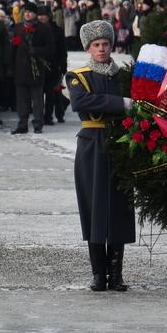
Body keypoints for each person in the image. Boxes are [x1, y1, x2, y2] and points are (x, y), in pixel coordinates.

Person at [67, 20, 134, 292]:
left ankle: (115, 275)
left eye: (106, 44)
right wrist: (120, 104)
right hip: (92, 145)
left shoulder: (122, 76)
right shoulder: (78, 76)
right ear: (88, 48)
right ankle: (98, 274)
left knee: (119, 207)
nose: (102, 49)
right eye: (97, 45)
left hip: (119, 143)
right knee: (94, 208)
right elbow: (81, 102)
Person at [11, 2, 53, 134]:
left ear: (35, 14)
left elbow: (50, 48)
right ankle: (22, 124)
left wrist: (35, 50)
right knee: (22, 99)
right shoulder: (18, 27)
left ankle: (38, 123)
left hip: (36, 69)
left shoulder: (44, 28)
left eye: (30, 12)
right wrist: (11, 67)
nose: (28, 14)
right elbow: (12, 48)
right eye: (26, 11)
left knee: (37, 99)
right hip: (21, 67)